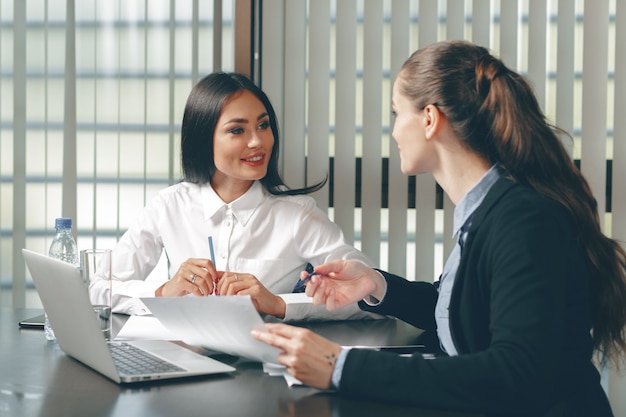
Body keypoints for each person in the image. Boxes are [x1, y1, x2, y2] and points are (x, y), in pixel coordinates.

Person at [252, 40, 626, 417]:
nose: (395, 132)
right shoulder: (488, 209)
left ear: (430, 119)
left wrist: (340, 367)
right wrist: (375, 284)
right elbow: (465, 314)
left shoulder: (523, 220)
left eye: (398, 114)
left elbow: (515, 373)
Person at [90, 72, 379, 322]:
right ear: (204, 139)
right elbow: (99, 287)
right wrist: (163, 292)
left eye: (263, 125)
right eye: (237, 130)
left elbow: (369, 296)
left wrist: (278, 304)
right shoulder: (168, 207)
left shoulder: (297, 215)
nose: (257, 141)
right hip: (185, 362)